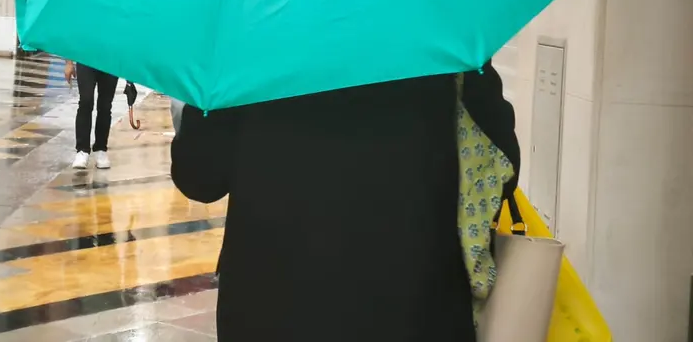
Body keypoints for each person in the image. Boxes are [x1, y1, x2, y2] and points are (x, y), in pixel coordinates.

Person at [171, 61, 519, 341]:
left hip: (274, 304)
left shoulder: (248, 47)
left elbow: (199, 179)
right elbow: (502, 163)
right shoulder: (437, 35)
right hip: (416, 302)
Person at [65, 61, 117, 169]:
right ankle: (82, 150)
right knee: (85, 101)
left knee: (105, 106)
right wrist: (69, 63)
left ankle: (100, 148)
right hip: (86, 58)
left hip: (111, 60)